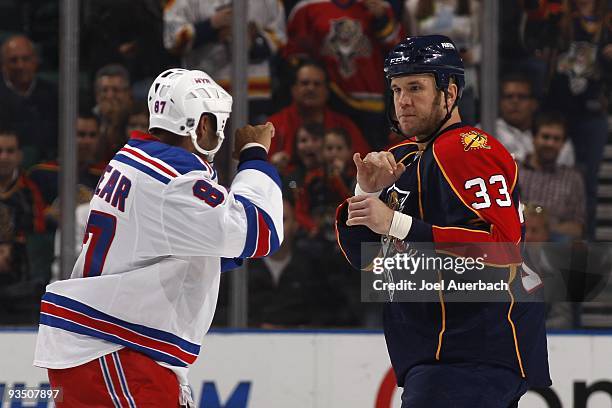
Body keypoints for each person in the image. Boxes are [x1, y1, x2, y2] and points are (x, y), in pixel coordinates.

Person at [33, 68, 283, 407]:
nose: (219, 132)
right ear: (200, 125)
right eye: (216, 122)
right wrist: (255, 155)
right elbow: (262, 230)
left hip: (111, 348)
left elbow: (187, 249)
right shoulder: (174, 180)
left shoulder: (133, 159)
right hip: (116, 348)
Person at [335, 35, 551, 407]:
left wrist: (396, 224)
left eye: (416, 87)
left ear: (450, 92)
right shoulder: (399, 157)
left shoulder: (467, 149)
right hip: (440, 355)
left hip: (471, 352)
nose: (403, 101)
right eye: (397, 88)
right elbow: (362, 256)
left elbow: (502, 249)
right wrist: (366, 192)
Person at [268, 59, 371, 162]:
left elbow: (364, 164)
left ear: (327, 91)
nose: (311, 88)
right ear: (294, 89)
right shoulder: (274, 125)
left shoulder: (344, 125)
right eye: (305, 83)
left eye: (317, 84)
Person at [518, 111, 585, 241]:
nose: (550, 143)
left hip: (553, 247)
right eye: (545, 137)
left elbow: (578, 227)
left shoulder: (572, 179)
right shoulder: (514, 171)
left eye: (556, 139)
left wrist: (543, 228)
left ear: (563, 144)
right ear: (534, 138)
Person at [491, 72, 574, 166]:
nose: (515, 102)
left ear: (534, 103)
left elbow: (565, 172)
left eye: (522, 97)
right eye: (509, 97)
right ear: (499, 103)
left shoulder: (553, 134)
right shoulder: (485, 130)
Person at [0, 34, 58, 165]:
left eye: (25, 59)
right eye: (13, 60)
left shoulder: (54, 94)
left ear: (35, 61)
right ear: (3, 64)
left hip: (47, 168)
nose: (20, 66)